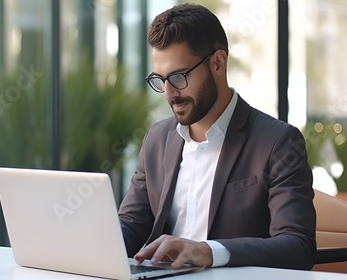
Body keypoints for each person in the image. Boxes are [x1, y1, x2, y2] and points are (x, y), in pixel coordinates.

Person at [118, 3, 316, 270]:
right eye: (160, 79)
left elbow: (298, 246)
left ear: (218, 63)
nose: (168, 93)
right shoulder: (157, 139)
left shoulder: (277, 143)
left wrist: (209, 251)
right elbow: (131, 225)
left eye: (178, 76)